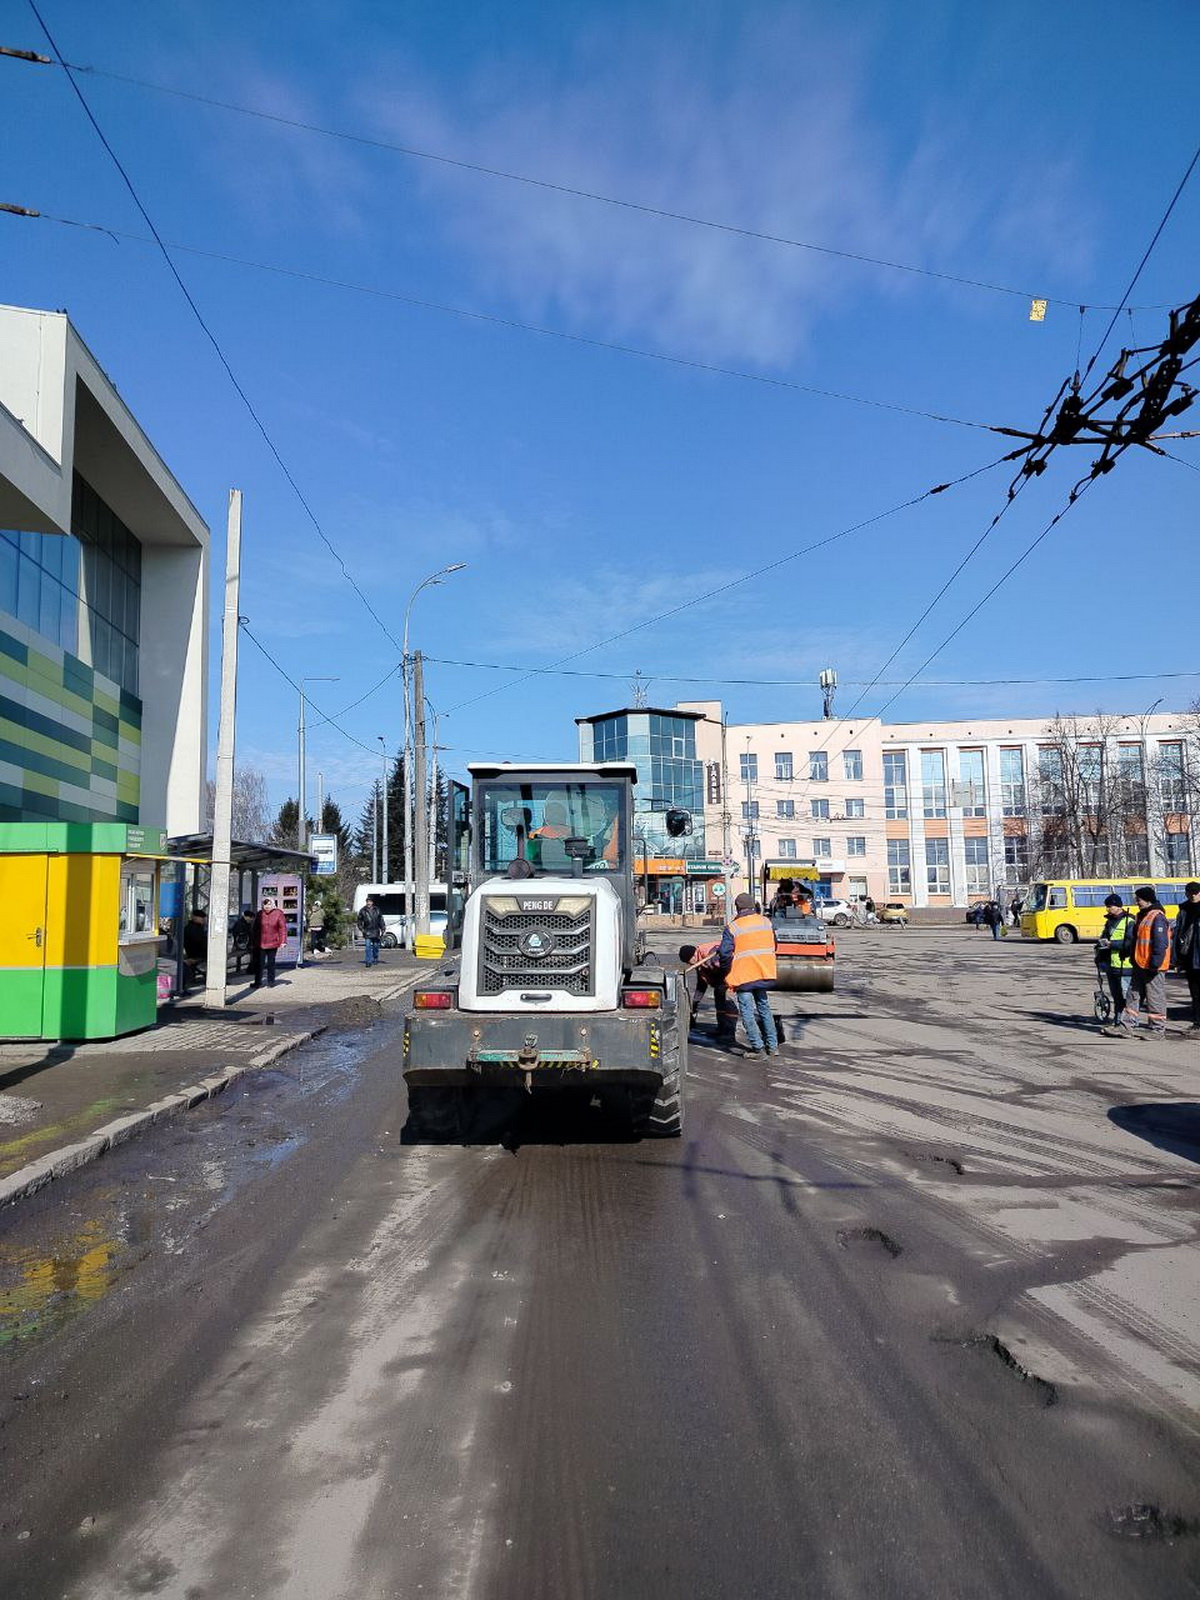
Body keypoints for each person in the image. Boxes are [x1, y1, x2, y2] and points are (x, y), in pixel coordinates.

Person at [716, 892, 779, 1058]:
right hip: (764, 972)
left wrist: (725, 972)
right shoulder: (766, 922)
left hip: (744, 976)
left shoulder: (733, 927)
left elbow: (725, 954)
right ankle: (773, 1047)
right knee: (764, 1009)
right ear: (753, 905)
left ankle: (758, 1049)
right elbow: (775, 945)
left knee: (747, 1012)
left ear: (737, 908)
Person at [1109, 885, 1171, 1039]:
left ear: (1148, 900)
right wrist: (1130, 955)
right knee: (1133, 995)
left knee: (1154, 997)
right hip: (1139, 964)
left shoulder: (1157, 916)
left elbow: (1161, 943)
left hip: (1153, 966)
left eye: (1139, 899)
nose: (1136, 902)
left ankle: (1157, 1030)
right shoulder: (1142, 916)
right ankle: (1126, 1026)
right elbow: (1137, 941)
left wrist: (1154, 964)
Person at [679, 942, 737, 1047]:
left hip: (731, 978)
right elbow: (701, 985)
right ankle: (722, 1028)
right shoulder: (700, 962)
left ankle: (729, 1034)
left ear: (693, 956)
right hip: (721, 981)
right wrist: (695, 1003)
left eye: (688, 962)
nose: (690, 965)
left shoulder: (708, 953)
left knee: (729, 1004)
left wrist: (722, 980)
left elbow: (726, 964)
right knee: (719, 999)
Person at [1095, 893, 1135, 1024]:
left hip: (1125, 966)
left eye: (1110, 906)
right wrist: (1099, 949)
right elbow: (1103, 938)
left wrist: (1111, 944)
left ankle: (1129, 1023)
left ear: (1118, 906)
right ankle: (1118, 1021)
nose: (1107, 909)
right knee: (1116, 996)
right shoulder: (1109, 922)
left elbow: (1130, 943)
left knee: (1127, 996)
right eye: (1107, 906)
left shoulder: (1129, 921)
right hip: (1111, 966)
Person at [1172, 880, 1200, 1034]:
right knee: (1195, 993)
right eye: (1190, 893)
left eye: (1196, 893)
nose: (1193, 896)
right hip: (1190, 958)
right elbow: (1178, 934)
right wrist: (1176, 959)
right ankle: (1197, 1023)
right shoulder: (1184, 911)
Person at [254, 896, 288, 988]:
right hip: (261, 943)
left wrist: (283, 941)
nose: (267, 906)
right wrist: (253, 941)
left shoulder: (278, 913)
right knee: (259, 963)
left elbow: (282, 928)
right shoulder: (260, 913)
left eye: (269, 904)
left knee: (271, 963)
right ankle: (257, 982)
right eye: (265, 904)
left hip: (273, 942)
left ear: (273, 904)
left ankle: (271, 982)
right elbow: (255, 928)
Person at [357, 894, 385, 967]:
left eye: (370, 901)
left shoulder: (377, 910)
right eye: (367, 901)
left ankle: (375, 958)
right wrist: (362, 930)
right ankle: (368, 961)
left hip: (376, 931)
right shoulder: (362, 911)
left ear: (372, 902)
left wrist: (383, 928)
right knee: (368, 947)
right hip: (367, 932)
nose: (368, 903)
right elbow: (359, 922)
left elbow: (381, 920)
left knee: (375, 947)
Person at [181, 909, 207, 988]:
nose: (203, 920)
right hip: (196, 954)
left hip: (195, 953)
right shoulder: (193, 929)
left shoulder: (195, 928)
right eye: (201, 917)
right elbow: (200, 942)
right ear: (194, 917)